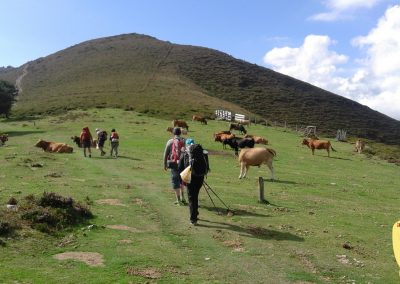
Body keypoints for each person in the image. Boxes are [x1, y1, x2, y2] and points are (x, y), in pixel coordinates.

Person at [179, 138, 209, 226]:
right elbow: (207, 167)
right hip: (200, 177)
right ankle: (195, 213)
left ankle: (193, 219)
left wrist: (183, 177)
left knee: (192, 198)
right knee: (195, 196)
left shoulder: (185, 153)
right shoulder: (203, 153)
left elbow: (180, 167)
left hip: (190, 178)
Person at [163, 127, 186, 205]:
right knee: (182, 180)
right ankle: (183, 198)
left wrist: (165, 164)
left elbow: (165, 154)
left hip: (174, 164)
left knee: (175, 181)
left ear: (173, 133)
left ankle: (178, 200)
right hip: (183, 164)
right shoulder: (184, 141)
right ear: (180, 133)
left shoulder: (170, 141)